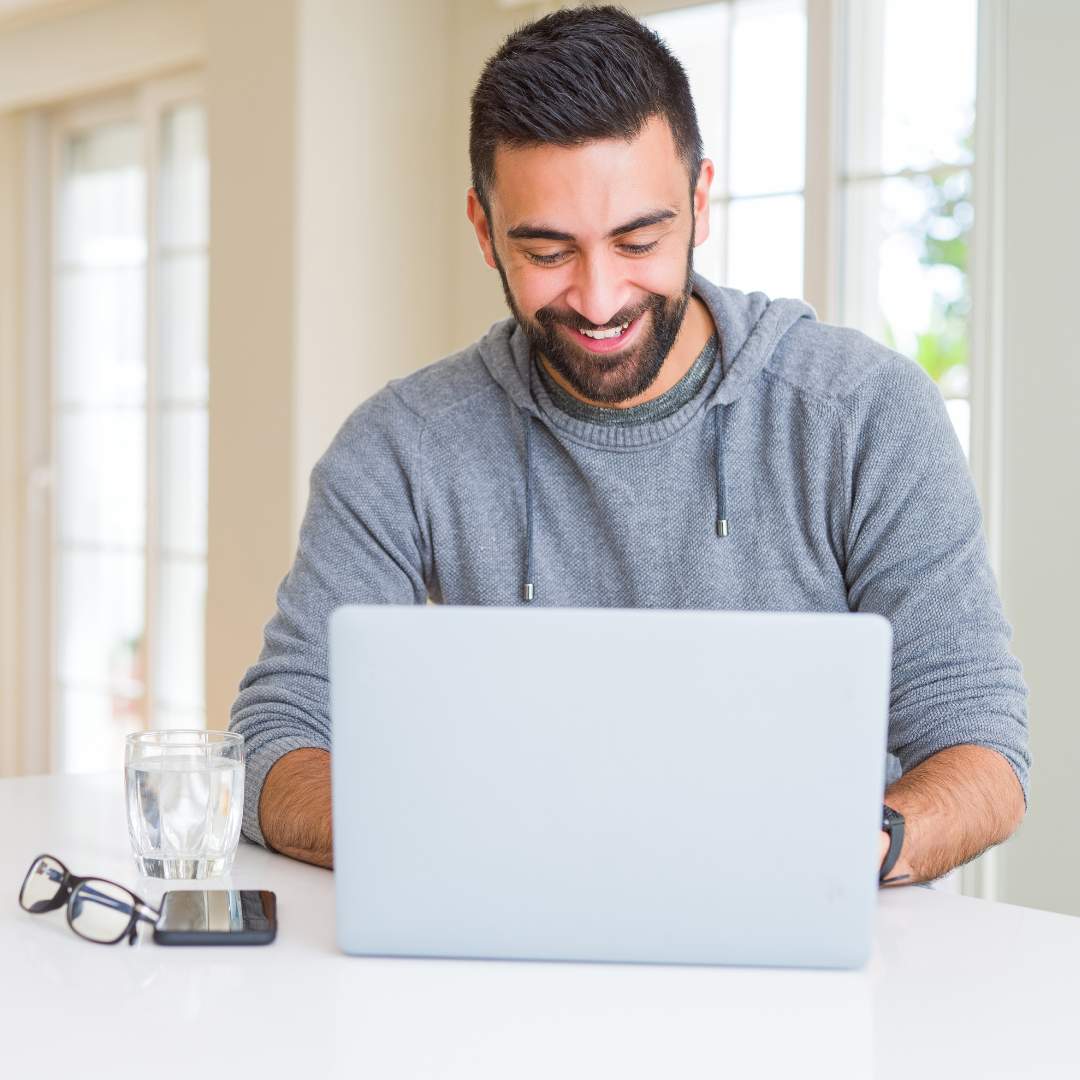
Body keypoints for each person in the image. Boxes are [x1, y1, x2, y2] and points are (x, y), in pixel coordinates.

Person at [229, 6, 1029, 885]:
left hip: (803, 935)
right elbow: (281, 733)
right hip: (503, 938)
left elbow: (980, 746)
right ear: (483, 226)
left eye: (639, 240)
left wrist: (844, 853)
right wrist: (455, 836)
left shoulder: (862, 415)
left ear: (700, 201)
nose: (600, 297)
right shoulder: (401, 447)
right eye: (547, 251)